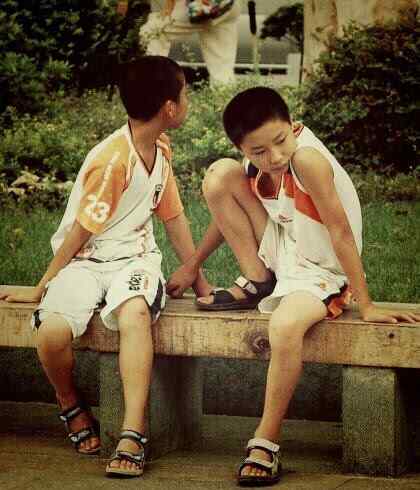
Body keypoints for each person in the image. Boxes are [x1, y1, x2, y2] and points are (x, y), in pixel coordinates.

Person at [166, 87, 420, 486]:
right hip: (286, 250)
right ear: (243, 148)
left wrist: (367, 304)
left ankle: (266, 440)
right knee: (219, 176)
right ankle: (258, 279)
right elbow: (226, 212)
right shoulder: (256, 164)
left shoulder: (307, 160)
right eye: (259, 151)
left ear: (292, 125)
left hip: (323, 270)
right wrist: (192, 264)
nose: (274, 156)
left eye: (280, 141)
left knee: (283, 326)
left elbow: (340, 232)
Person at [0, 56, 211, 479]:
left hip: (135, 260)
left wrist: (200, 281)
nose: (187, 101)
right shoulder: (114, 161)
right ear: (169, 107)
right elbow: (81, 231)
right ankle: (69, 403)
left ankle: (133, 432)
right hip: (85, 261)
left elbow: (173, 218)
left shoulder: (160, 149)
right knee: (52, 332)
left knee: (135, 313)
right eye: (185, 94)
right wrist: (42, 286)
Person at [139, 0, 241, 85]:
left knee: (152, 31)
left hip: (204, 5)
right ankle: (225, 97)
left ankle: (153, 87)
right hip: (228, 6)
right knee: (221, 66)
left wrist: (169, 5)